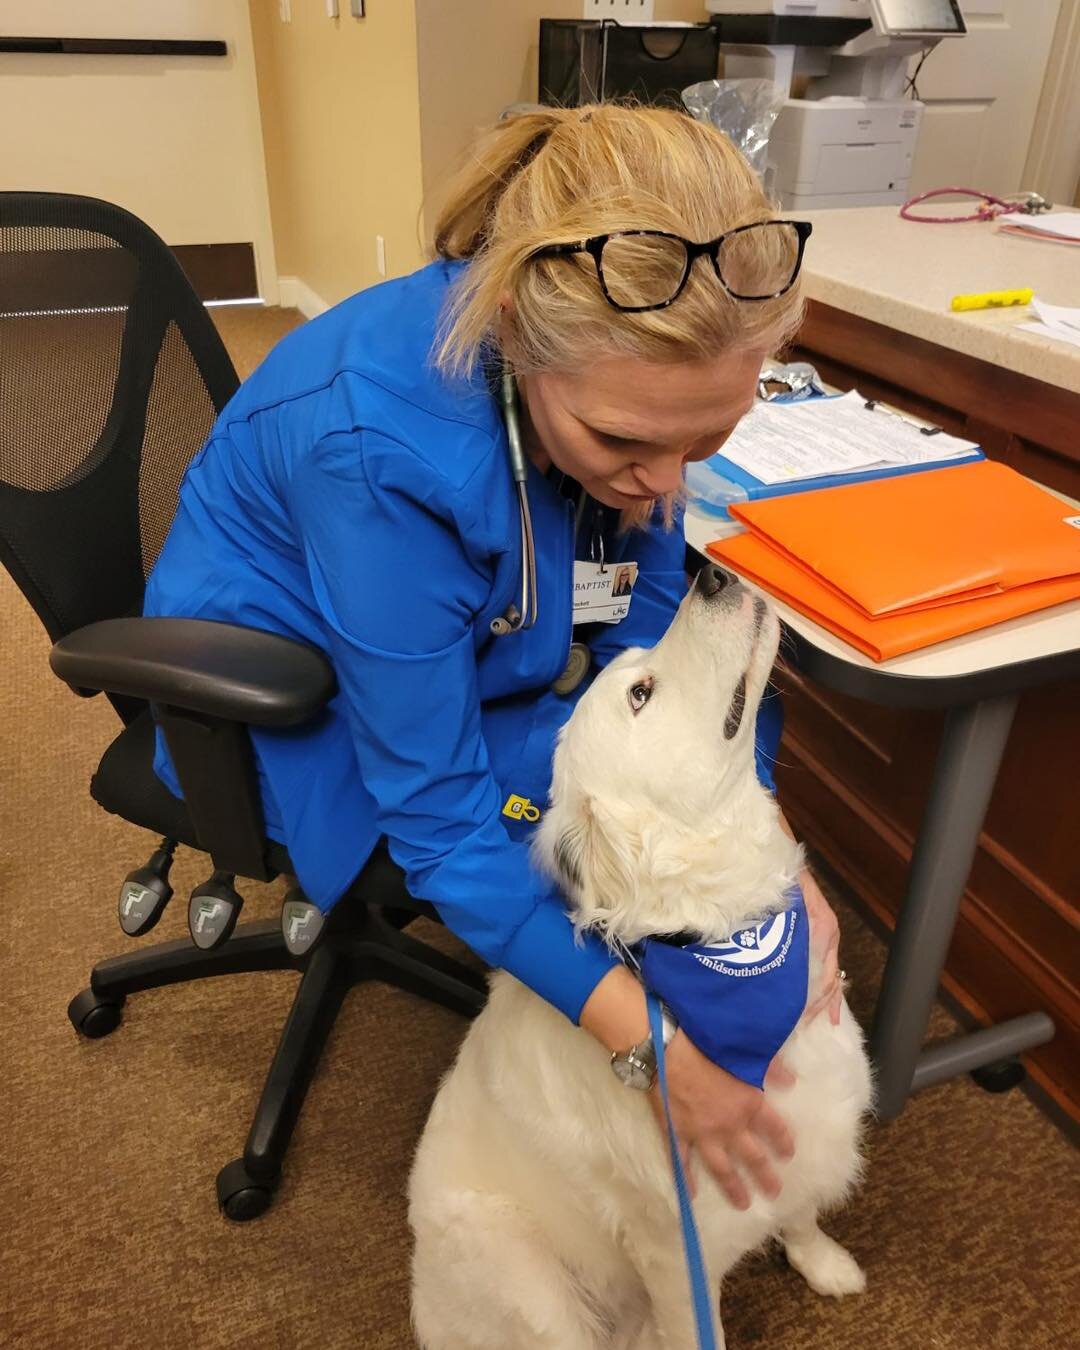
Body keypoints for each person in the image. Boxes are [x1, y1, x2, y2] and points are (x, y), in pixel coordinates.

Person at [145, 103, 842, 1212]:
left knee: (655, 809)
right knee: (579, 838)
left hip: (463, 650)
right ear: (516, 330)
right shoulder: (375, 446)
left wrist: (778, 858)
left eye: (705, 439)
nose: (667, 487)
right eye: (624, 443)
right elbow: (438, 814)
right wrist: (654, 1052)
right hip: (288, 697)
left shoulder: (618, 394)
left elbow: (662, 643)